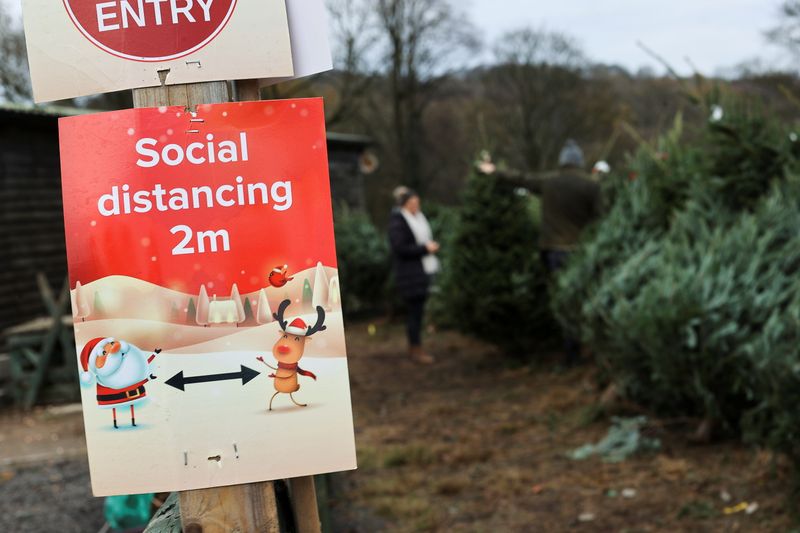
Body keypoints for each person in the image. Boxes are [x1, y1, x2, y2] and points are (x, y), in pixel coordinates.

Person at [477, 140, 602, 365]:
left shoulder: (549, 181)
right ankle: (588, 347)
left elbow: (521, 178)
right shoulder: (591, 186)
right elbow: (601, 216)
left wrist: (494, 171)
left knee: (561, 299)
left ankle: (570, 352)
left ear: (562, 162)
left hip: (553, 249)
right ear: (580, 162)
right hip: (582, 250)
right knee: (584, 298)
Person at [388, 187, 440, 364]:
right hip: (409, 275)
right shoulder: (398, 222)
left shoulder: (418, 219)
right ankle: (415, 348)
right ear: (404, 204)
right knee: (414, 313)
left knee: (418, 312)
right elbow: (400, 248)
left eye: (417, 203)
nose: (415, 206)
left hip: (420, 272)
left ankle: (416, 346)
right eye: (411, 203)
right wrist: (424, 249)